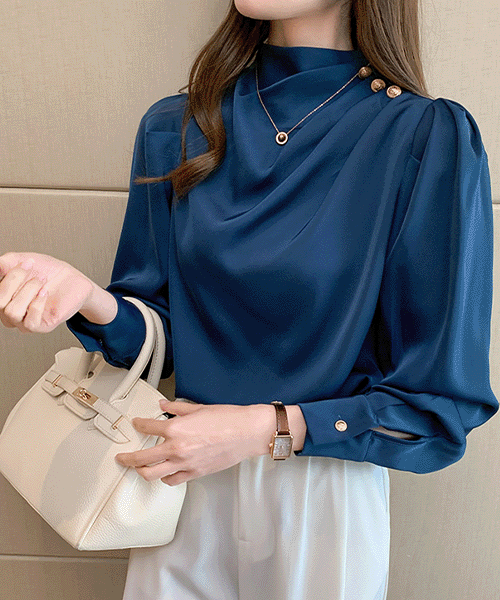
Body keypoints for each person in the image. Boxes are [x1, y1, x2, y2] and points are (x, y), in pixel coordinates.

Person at [0, 0, 498, 598]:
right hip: (172, 480)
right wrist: (87, 297)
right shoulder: (178, 124)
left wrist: (264, 428)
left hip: (321, 494)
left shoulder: (423, 137)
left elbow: (437, 400)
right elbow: (163, 339)